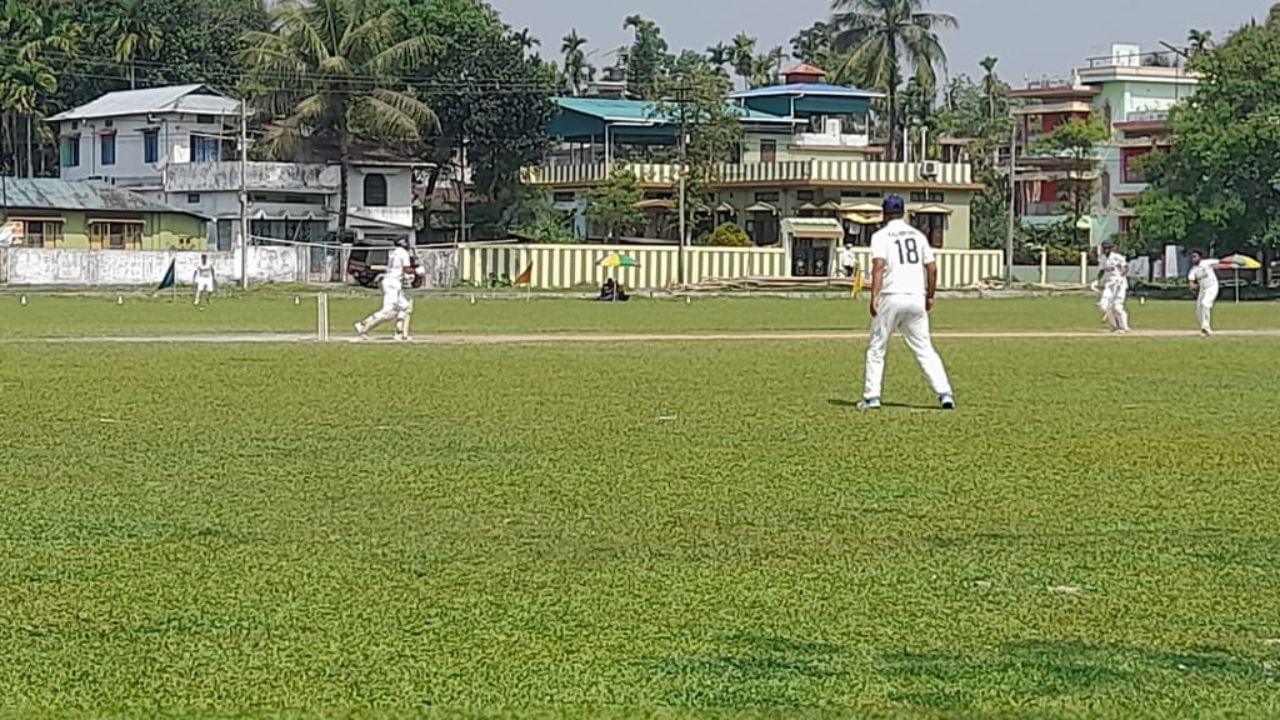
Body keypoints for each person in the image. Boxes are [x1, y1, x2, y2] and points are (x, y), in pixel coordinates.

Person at [859, 195, 955, 411]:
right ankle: (945, 393)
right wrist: (930, 295)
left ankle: (871, 396)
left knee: (877, 347)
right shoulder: (918, 236)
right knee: (925, 349)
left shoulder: (881, 236)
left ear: (884, 214)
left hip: (892, 295)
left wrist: (874, 296)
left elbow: (878, 267)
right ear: (903, 212)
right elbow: (932, 268)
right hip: (915, 297)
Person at [355, 237, 424, 341]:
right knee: (388, 310)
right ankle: (363, 325)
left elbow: (397, 269)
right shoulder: (403, 253)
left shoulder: (393, 252)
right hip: (392, 283)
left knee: (404, 306)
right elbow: (406, 269)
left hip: (391, 282)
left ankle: (399, 333)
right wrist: (417, 271)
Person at [1096, 240, 1131, 334]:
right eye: (1105, 248)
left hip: (1120, 284)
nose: (1106, 249)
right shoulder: (1102, 258)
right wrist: (1098, 281)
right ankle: (1115, 326)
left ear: (1111, 248)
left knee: (1117, 307)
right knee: (1103, 306)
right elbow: (1102, 270)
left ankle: (1124, 326)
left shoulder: (1117, 257)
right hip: (1109, 284)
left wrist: (1121, 276)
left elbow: (1126, 267)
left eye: (1108, 248)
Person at [1187, 250, 1219, 336]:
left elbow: (1220, 262)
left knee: (1205, 304)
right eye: (1192, 257)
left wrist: (1233, 261)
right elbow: (1191, 281)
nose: (1193, 258)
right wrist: (1192, 286)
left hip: (1212, 286)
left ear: (1199, 257)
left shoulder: (1207, 263)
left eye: (1195, 256)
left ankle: (1206, 327)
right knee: (1199, 310)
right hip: (1203, 289)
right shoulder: (1193, 270)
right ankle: (1204, 328)